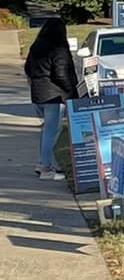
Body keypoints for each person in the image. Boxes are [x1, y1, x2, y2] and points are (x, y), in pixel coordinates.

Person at [23, 17, 79, 180]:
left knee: (50, 129)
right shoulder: (59, 48)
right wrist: (71, 91)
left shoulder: (36, 46)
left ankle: (45, 161)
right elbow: (61, 74)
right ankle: (45, 166)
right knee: (51, 130)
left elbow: (27, 68)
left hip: (38, 94)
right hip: (55, 95)